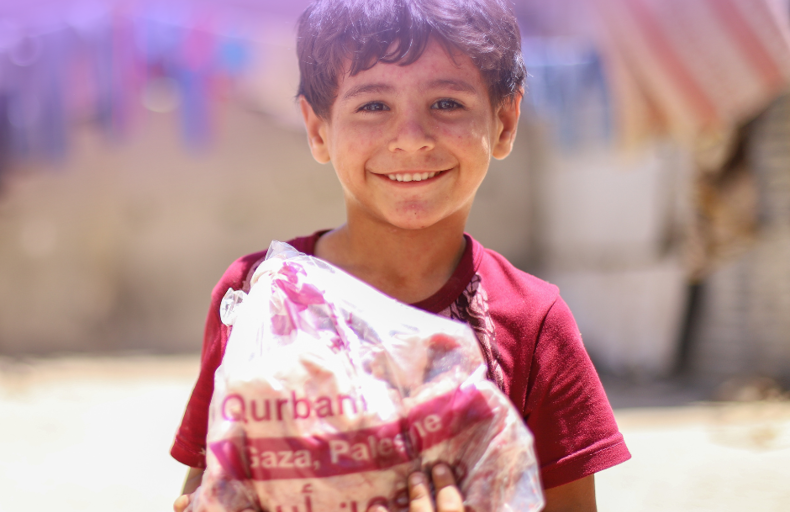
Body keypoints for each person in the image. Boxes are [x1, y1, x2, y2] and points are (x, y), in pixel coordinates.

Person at [171, 0, 631, 510]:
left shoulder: (533, 322)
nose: (411, 139)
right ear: (317, 128)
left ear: (504, 121)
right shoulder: (262, 296)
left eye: (447, 104)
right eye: (373, 106)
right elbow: (211, 485)